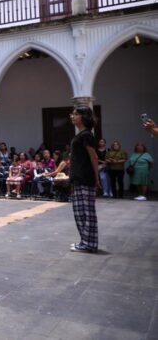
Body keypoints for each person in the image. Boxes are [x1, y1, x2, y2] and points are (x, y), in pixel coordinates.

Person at [69, 106, 100, 253]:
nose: (72, 116)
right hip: (78, 178)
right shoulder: (80, 135)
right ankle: (84, 242)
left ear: (83, 117)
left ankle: (90, 244)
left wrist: (96, 177)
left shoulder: (87, 135)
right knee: (79, 212)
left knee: (87, 212)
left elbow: (93, 157)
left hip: (85, 177)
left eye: (75, 114)